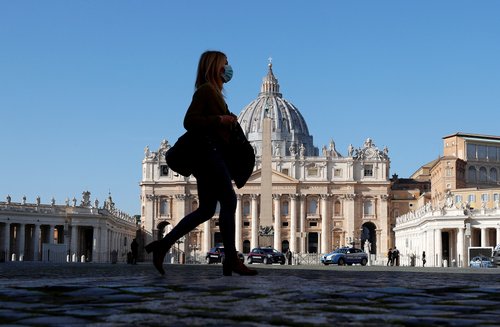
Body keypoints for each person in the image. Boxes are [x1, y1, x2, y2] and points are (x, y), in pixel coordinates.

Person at [145, 50, 257, 277]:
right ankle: (231, 259)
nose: (228, 68)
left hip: (212, 155)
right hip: (208, 155)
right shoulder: (206, 90)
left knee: (207, 209)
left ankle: (163, 245)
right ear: (215, 66)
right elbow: (189, 121)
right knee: (228, 200)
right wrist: (220, 119)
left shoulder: (216, 93)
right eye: (225, 64)